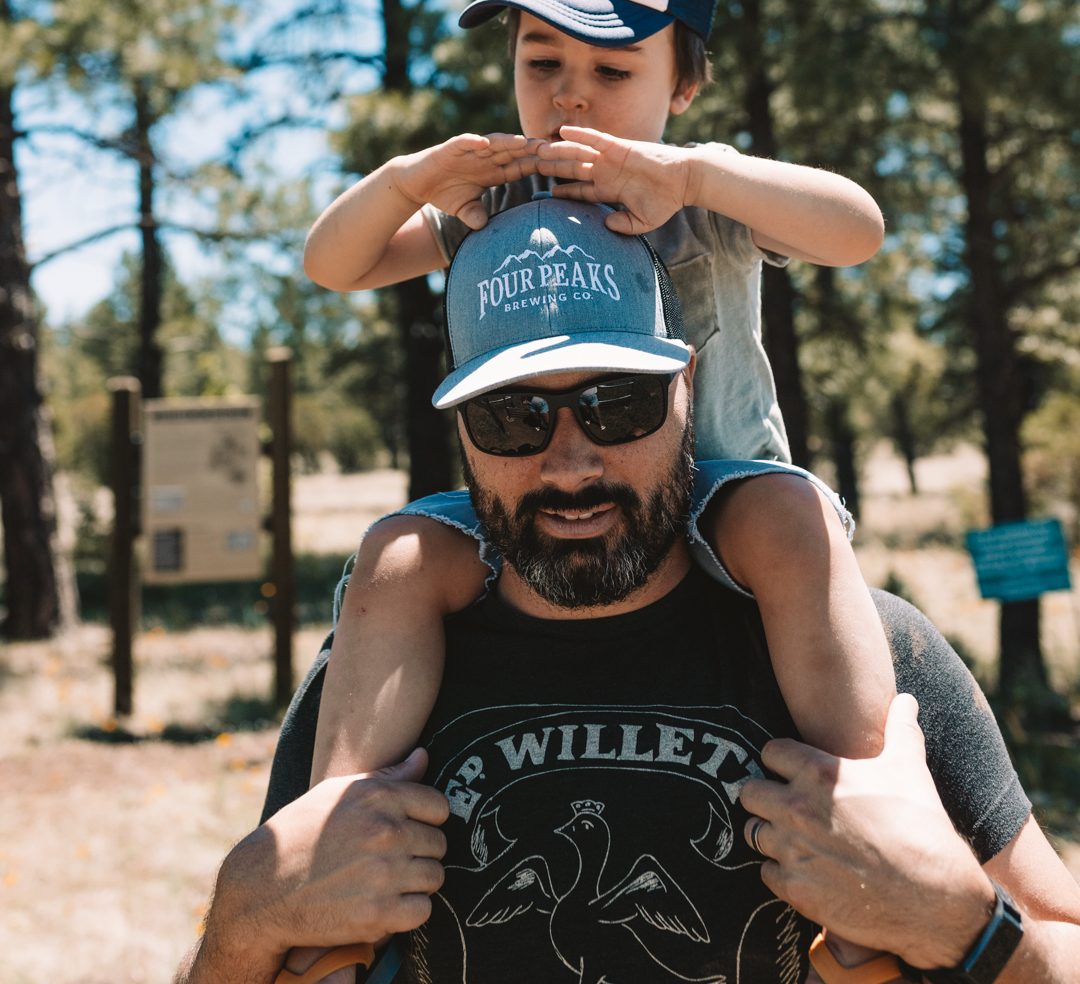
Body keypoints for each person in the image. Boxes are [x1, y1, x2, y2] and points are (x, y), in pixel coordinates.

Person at [177, 197, 1080, 984]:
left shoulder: (867, 645)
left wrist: (968, 928)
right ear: (460, 432)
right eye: (511, 417)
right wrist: (244, 919)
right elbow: (280, 946)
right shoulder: (379, 663)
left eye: (619, 405)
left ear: (688, 385)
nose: (570, 463)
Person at [302, 0, 893, 813]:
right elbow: (338, 265)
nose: (571, 91)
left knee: (789, 522)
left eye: (613, 69)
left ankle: (868, 803)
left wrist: (698, 173)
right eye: (542, 61)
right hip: (536, 493)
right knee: (399, 557)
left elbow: (857, 228)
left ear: (682, 85)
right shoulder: (494, 199)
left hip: (721, 489)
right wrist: (407, 179)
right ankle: (332, 838)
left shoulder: (705, 190)